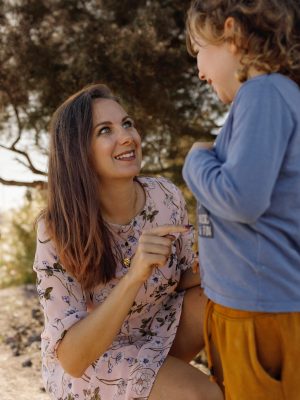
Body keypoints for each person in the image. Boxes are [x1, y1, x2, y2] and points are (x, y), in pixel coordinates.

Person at [33, 83, 223, 400]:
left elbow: (185, 279)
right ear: (78, 151)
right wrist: (134, 275)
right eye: (105, 130)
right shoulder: (56, 228)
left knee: (222, 297)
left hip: (156, 334)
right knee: (201, 396)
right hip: (94, 360)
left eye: (127, 123)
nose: (127, 137)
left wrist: (228, 259)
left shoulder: (165, 196)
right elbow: (73, 359)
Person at [182, 0, 300, 399]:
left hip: (260, 312)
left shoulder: (263, 93)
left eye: (199, 49)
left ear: (231, 35)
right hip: (246, 306)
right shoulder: (264, 99)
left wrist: (196, 160)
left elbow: (241, 199)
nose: (199, 70)